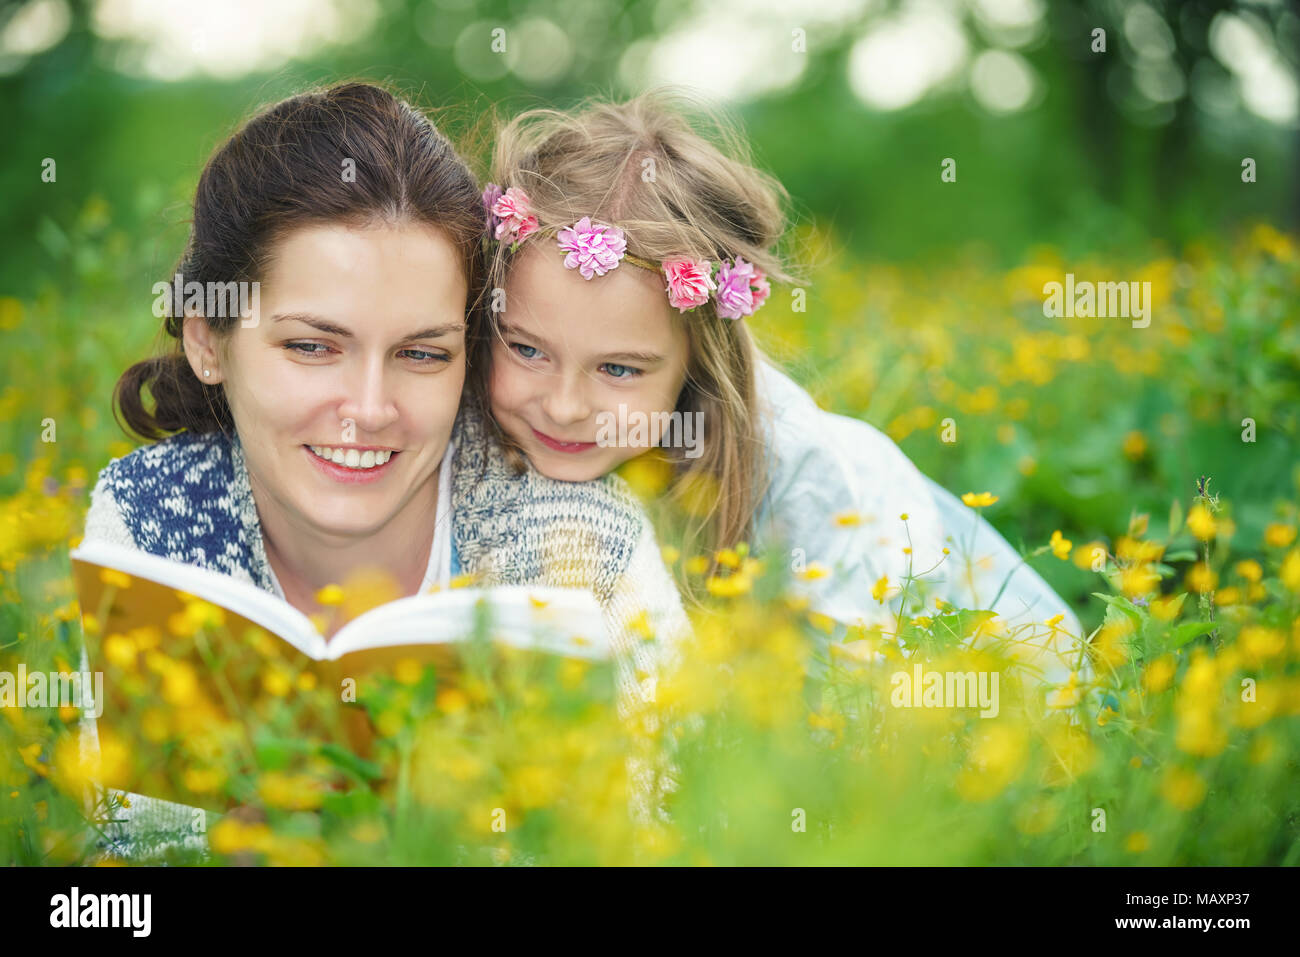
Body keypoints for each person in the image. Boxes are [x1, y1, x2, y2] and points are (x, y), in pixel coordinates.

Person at [78, 82, 688, 862]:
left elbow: (676, 827)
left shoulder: (587, 542)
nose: (368, 409)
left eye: (422, 353)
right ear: (208, 339)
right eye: (311, 346)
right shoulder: (149, 519)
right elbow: (127, 858)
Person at [474, 90, 1084, 687]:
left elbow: (851, 710)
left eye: (619, 370)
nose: (563, 406)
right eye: (527, 349)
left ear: (698, 359)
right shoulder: (473, 424)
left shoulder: (803, 476)